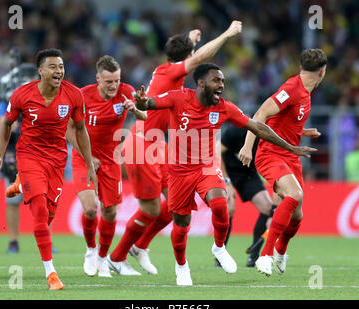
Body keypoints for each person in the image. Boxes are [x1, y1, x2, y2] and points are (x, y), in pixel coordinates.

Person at [134, 62, 316, 286]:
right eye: (216, 80)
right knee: (182, 223)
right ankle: (181, 266)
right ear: (201, 83)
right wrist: (141, 102)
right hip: (179, 171)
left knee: (221, 204)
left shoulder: (224, 108)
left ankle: (219, 247)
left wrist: (291, 147)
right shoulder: (178, 97)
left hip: (207, 167)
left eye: (222, 81)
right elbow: (150, 103)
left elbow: (257, 127)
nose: (221, 85)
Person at [107, 20, 244, 276]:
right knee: (151, 209)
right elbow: (202, 58)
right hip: (142, 144)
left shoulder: (167, 69)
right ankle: (117, 257)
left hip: (158, 145)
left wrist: (189, 39)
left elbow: (186, 53)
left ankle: (140, 248)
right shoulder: (172, 73)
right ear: (188, 58)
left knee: (174, 208)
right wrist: (227, 33)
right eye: (191, 54)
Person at [0, 48, 98, 290]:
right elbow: (6, 123)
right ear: (40, 71)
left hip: (57, 160)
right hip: (29, 156)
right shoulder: (21, 94)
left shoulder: (74, 95)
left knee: (48, 216)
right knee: (38, 212)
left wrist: (89, 162)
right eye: (53, 67)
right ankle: (51, 273)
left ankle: (20, 183)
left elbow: (80, 130)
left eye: (61, 67)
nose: (58, 71)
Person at [238, 48, 327, 276]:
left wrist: (303, 132)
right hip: (270, 153)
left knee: (297, 216)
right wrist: (248, 146)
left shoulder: (306, 93)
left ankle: (280, 252)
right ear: (323, 72)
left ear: (301, 68)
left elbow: (282, 121)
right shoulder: (292, 89)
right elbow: (259, 115)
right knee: (294, 195)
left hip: (290, 155)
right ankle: (264, 256)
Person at [66, 55, 146, 277]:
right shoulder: (82, 96)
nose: (113, 86)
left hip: (110, 159)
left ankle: (103, 258)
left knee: (110, 212)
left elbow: (145, 116)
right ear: (98, 80)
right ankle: (91, 250)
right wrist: (87, 155)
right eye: (108, 81)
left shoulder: (126, 92)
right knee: (91, 208)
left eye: (117, 81)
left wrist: (135, 109)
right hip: (84, 158)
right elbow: (68, 128)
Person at [0, 51, 39, 253]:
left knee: (44, 199)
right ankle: (13, 240)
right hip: (15, 152)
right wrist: (7, 126)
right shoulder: (8, 99)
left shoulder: (45, 97)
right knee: (13, 200)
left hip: (40, 152)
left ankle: (46, 238)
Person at [218, 124, 277, 267]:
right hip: (226, 173)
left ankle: (254, 255)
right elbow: (217, 154)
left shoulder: (265, 137)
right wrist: (227, 182)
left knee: (267, 208)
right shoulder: (234, 130)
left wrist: (275, 208)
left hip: (247, 175)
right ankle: (220, 254)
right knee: (229, 208)